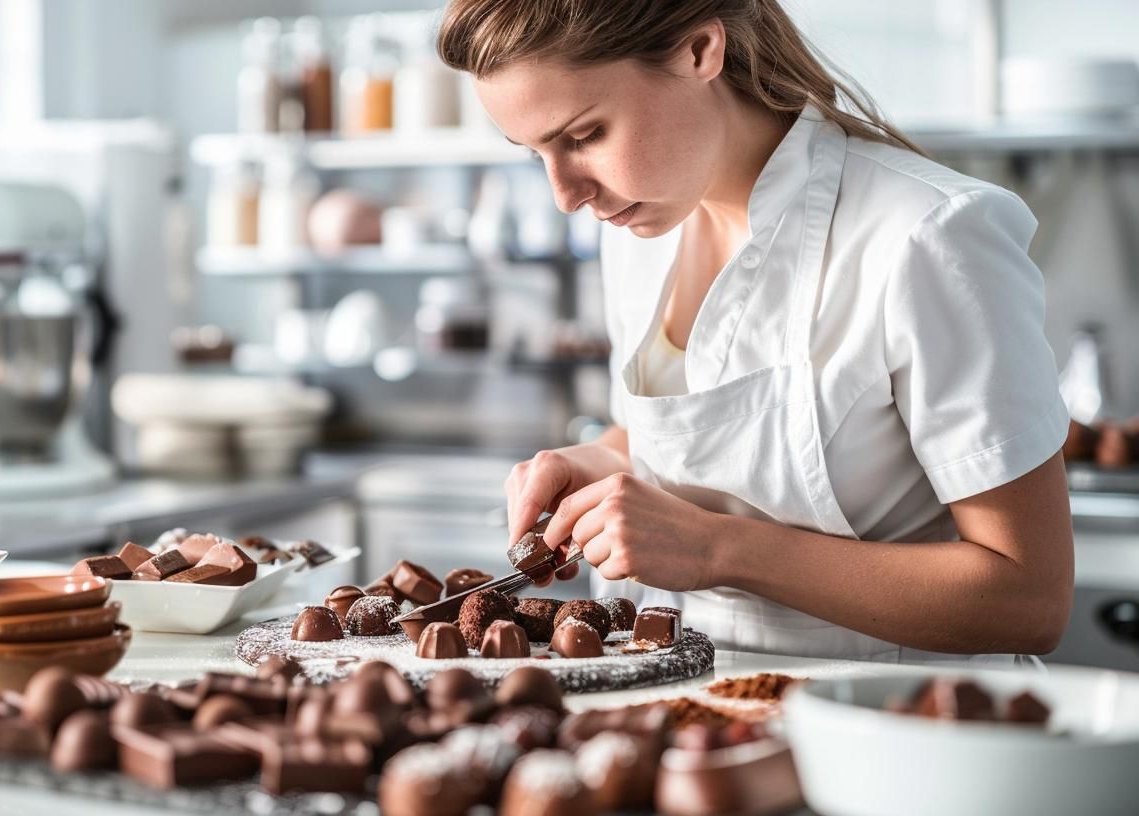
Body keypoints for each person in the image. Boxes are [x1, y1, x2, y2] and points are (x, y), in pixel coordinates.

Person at [438, 0, 1073, 662]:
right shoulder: (641, 226)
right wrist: (610, 459)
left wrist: (717, 548)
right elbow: (736, 434)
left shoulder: (927, 236)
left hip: (898, 727)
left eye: (584, 136)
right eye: (535, 150)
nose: (566, 196)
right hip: (700, 720)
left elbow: (1030, 600)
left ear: (698, 51)